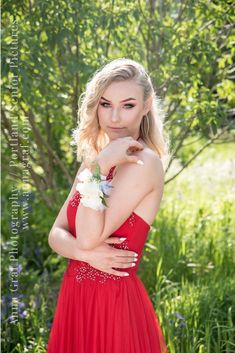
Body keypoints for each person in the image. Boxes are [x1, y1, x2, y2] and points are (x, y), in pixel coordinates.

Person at [46, 58, 170, 353]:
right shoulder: (97, 163)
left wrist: (100, 165)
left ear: (146, 105)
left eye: (127, 105)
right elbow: (55, 234)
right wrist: (83, 254)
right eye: (105, 104)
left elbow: (89, 235)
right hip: (76, 299)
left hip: (112, 305)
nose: (115, 117)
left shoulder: (144, 163)